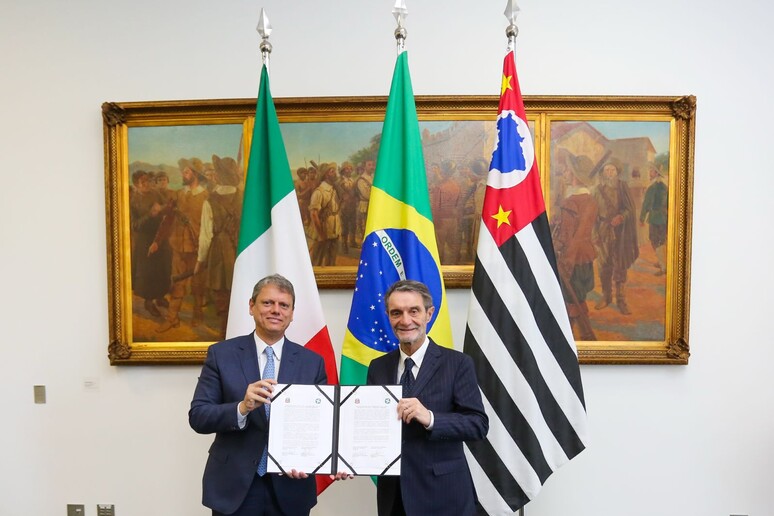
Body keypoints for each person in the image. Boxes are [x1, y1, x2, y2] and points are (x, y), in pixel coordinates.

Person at [189, 274, 329, 516]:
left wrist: (311, 460)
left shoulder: (312, 362)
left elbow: (323, 425)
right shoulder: (222, 355)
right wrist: (241, 408)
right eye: (267, 303)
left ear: (292, 313)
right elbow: (199, 416)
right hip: (234, 486)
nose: (276, 310)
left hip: (291, 486)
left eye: (283, 305)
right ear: (251, 306)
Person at [366, 280, 488, 516]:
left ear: (429, 314)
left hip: (444, 495)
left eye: (414, 311)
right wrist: (346, 460)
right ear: (388, 317)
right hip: (394, 497)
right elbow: (371, 426)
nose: (405, 320)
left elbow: (478, 424)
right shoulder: (378, 367)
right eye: (396, 313)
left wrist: (431, 418)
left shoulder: (457, 363)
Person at [551, 153, 598, 340]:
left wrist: (555, 246)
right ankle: (581, 335)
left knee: (570, 300)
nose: (566, 173)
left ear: (576, 176)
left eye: (569, 170)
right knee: (579, 298)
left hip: (571, 259)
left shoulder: (570, 202)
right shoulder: (591, 201)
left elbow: (566, 237)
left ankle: (571, 338)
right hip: (585, 257)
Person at [196, 154, 243, 335]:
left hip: (220, 252)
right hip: (242, 250)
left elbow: (206, 236)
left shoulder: (210, 201)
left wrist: (200, 260)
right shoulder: (244, 197)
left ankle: (225, 332)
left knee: (222, 294)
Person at [592, 160, 639, 315]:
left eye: (612, 169)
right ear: (603, 172)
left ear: (617, 172)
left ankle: (621, 299)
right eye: (607, 170)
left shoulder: (623, 187)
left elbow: (630, 209)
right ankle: (606, 297)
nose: (610, 172)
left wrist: (621, 217)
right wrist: (594, 234)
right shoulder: (597, 190)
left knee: (620, 266)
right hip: (603, 231)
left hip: (620, 233)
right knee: (604, 265)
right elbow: (592, 214)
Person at [309, 162, 341, 266]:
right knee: (317, 261)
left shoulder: (334, 189)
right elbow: (314, 215)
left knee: (331, 260)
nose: (335, 174)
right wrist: (321, 234)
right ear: (326, 174)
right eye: (332, 171)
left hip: (334, 230)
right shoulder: (319, 192)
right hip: (323, 231)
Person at [640, 165, 668, 275]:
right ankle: (662, 262)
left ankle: (663, 266)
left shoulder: (652, 187)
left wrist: (642, 218)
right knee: (661, 240)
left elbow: (646, 204)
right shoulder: (665, 186)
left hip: (655, 218)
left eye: (651, 171)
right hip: (664, 217)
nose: (649, 173)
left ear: (656, 173)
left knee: (655, 240)